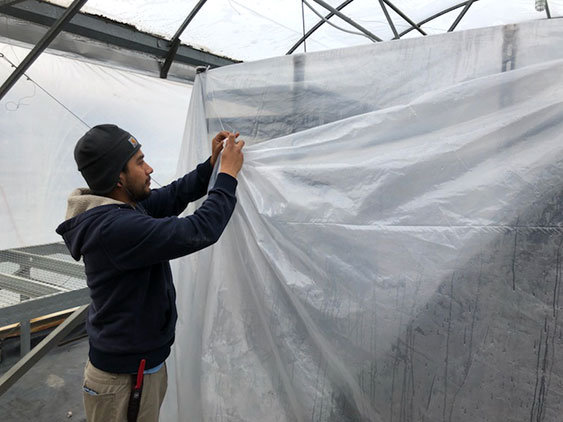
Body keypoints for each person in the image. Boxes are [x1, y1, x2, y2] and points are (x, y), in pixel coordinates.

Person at [56, 124, 244, 422]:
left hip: (139, 369)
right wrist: (227, 176)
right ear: (118, 177)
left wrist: (210, 166)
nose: (149, 168)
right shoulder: (114, 228)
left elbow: (171, 196)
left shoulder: (122, 207)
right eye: (140, 161)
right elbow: (198, 230)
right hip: (125, 380)